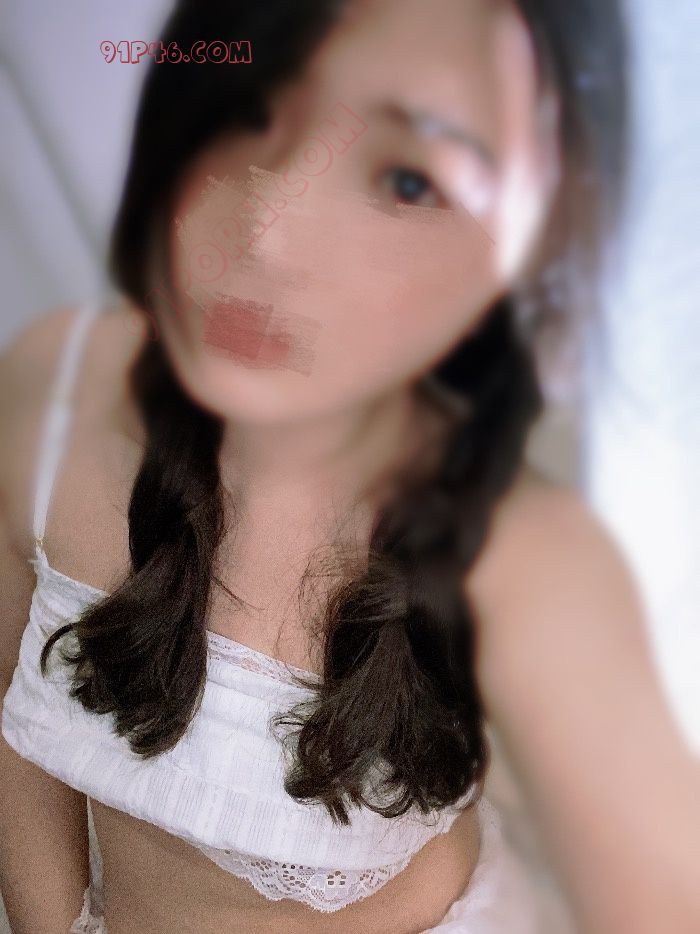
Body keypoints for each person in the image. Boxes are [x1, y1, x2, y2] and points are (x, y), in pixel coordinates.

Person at [1, 1, 699, 932]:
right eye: (249, 111)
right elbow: (12, 724)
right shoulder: (56, 382)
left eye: (408, 180)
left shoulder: (528, 563)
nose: (268, 233)